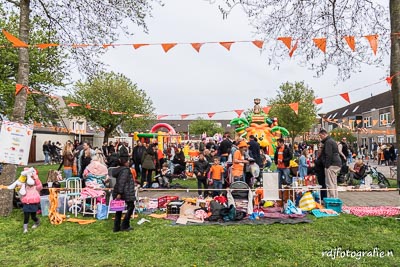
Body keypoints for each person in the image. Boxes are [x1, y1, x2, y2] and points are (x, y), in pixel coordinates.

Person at [112, 158, 136, 232]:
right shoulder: (125, 170)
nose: (129, 162)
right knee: (131, 206)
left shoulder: (120, 170)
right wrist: (119, 193)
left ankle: (116, 227)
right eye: (127, 161)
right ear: (124, 163)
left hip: (122, 191)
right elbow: (122, 182)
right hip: (125, 191)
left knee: (119, 209)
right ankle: (125, 225)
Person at [318, 129, 342, 198]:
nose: (320, 137)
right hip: (336, 163)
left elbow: (328, 154)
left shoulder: (328, 142)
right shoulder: (331, 141)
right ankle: (335, 197)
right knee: (334, 182)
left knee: (330, 183)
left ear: (324, 134)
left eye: (320, 136)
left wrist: (326, 165)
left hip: (332, 164)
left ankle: (332, 198)